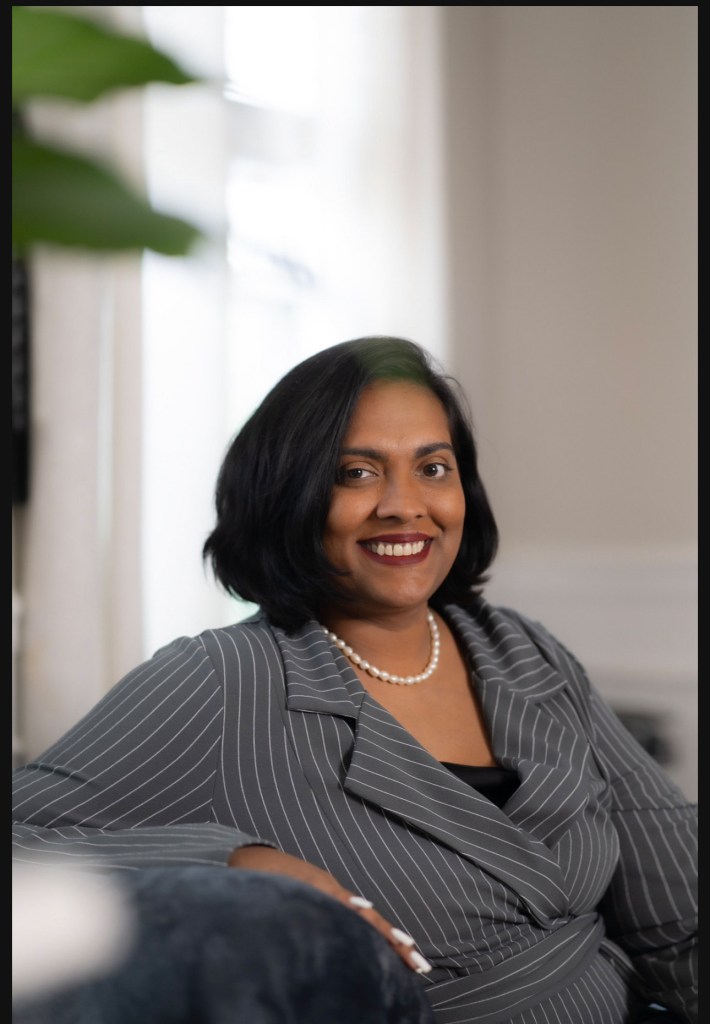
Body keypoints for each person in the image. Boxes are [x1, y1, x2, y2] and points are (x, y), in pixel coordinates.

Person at [13, 336, 697, 1023]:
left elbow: (679, 908)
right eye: (356, 473)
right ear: (289, 496)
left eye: (433, 467)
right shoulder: (220, 678)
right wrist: (238, 862)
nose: (404, 505)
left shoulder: (522, 649)